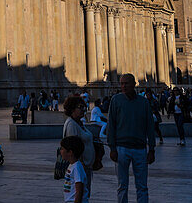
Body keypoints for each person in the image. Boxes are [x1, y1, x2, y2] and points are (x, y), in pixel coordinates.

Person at [106, 73, 155, 203]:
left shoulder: (143, 102)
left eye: (126, 83)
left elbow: (150, 126)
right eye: (121, 83)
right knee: (122, 185)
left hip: (140, 149)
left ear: (134, 84)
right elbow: (111, 125)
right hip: (121, 149)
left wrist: (152, 149)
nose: (123, 86)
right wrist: (112, 148)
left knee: (142, 186)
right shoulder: (116, 100)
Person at [62, 96, 97, 197]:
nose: (83, 110)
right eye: (80, 107)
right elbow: (73, 148)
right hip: (80, 168)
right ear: (72, 109)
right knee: (80, 195)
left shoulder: (79, 123)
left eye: (84, 107)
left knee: (85, 195)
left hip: (86, 167)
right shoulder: (71, 125)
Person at [60, 136, 88, 203]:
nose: (60, 151)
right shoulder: (72, 165)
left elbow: (79, 190)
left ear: (70, 152)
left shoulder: (77, 168)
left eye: (62, 149)